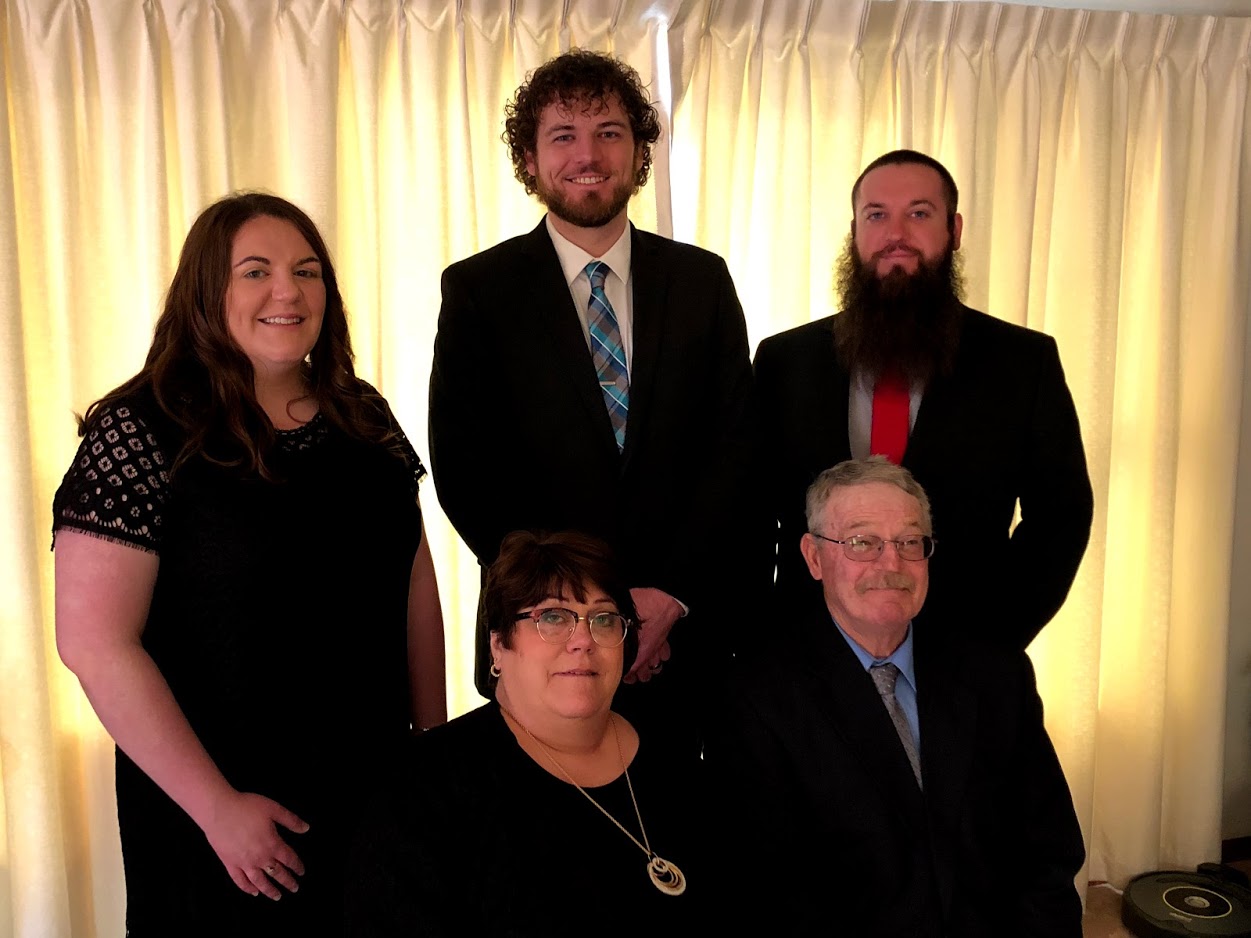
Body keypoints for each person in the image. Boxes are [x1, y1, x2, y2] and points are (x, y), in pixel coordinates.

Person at [52, 192, 446, 936]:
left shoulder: (362, 413)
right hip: (220, 824)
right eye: (256, 271)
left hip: (375, 797)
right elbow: (94, 644)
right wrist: (217, 809)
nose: (287, 292)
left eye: (307, 271)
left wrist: (432, 753)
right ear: (207, 291)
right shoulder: (141, 430)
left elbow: (413, 592)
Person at [428, 49, 761, 742]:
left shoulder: (701, 283)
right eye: (563, 136)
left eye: (609, 132)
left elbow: (734, 452)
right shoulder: (479, 292)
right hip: (540, 643)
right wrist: (582, 613)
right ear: (529, 159)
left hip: (685, 647)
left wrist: (667, 598)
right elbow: (466, 470)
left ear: (639, 152)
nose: (588, 154)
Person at [708, 457, 1085, 936]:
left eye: (909, 542)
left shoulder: (997, 676)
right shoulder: (757, 698)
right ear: (813, 557)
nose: (891, 564)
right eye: (862, 542)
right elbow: (765, 893)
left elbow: (1049, 855)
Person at [754, 149, 1093, 649]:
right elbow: (750, 514)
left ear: (954, 230)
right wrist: (761, 642)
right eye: (876, 215)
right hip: (804, 660)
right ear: (854, 233)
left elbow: (1061, 516)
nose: (896, 234)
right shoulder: (785, 361)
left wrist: (997, 641)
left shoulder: (1023, 362)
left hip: (968, 657)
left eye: (919, 213)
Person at [348, 530, 704, 936]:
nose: (583, 640)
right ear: (498, 644)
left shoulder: (679, 769)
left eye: (604, 619)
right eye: (552, 617)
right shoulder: (422, 792)